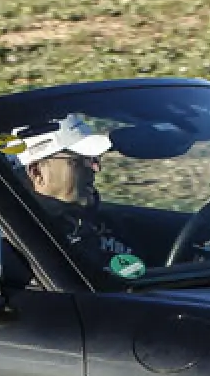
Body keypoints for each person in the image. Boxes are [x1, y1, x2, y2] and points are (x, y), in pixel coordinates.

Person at [8, 115, 147, 280]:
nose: (96, 167)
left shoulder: (107, 224)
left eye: (95, 158)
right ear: (37, 172)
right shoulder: (20, 237)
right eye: (81, 160)